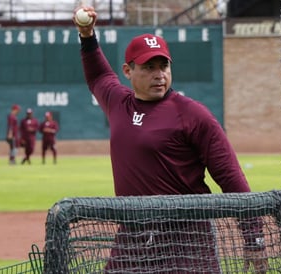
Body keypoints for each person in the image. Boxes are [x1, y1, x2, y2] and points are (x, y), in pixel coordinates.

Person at [73, 6, 268, 273]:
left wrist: (253, 239)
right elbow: (98, 75)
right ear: (128, 71)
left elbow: (231, 177)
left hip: (186, 240)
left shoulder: (192, 114)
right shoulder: (118, 102)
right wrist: (87, 35)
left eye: (163, 65)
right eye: (149, 67)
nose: (159, 74)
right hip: (133, 236)